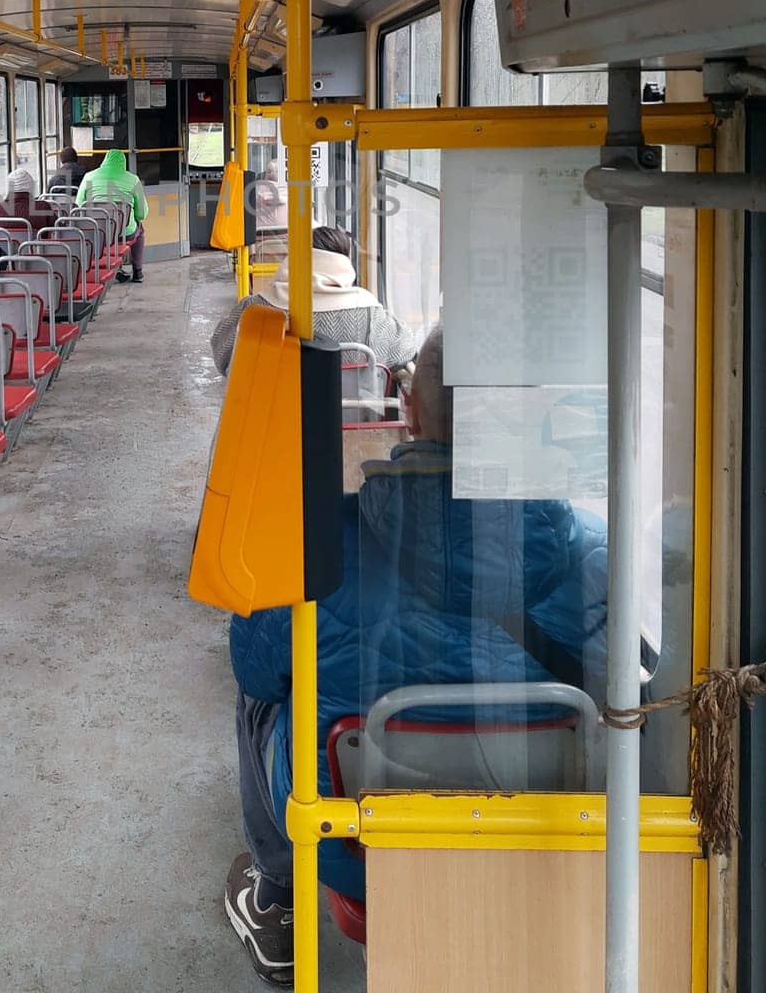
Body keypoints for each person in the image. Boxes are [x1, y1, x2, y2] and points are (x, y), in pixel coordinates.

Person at [223, 325, 607, 985]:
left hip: (353, 849)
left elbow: (255, 671)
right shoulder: (593, 553)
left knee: (260, 695)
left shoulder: (317, 544)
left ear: (409, 411)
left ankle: (277, 896)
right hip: (546, 830)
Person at [210, 226, 417, 377]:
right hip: (348, 418)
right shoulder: (369, 310)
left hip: (272, 418)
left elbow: (222, 355)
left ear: (296, 258)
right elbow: (405, 350)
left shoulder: (256, 308)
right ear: (344, 262)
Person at [76, 147, 150, 283]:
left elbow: (79, 206)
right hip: (125, 232)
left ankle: (117, 268)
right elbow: (141, 214)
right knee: (140, 230)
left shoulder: (89, 177)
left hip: (97, 231)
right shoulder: (133, 180)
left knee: (107, 232)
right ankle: (137, 271)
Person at [0, 167, 58, 235]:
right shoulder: (43, 207)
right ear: (31, 186)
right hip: (36, 247)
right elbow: (58, 229)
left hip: (2, 248)